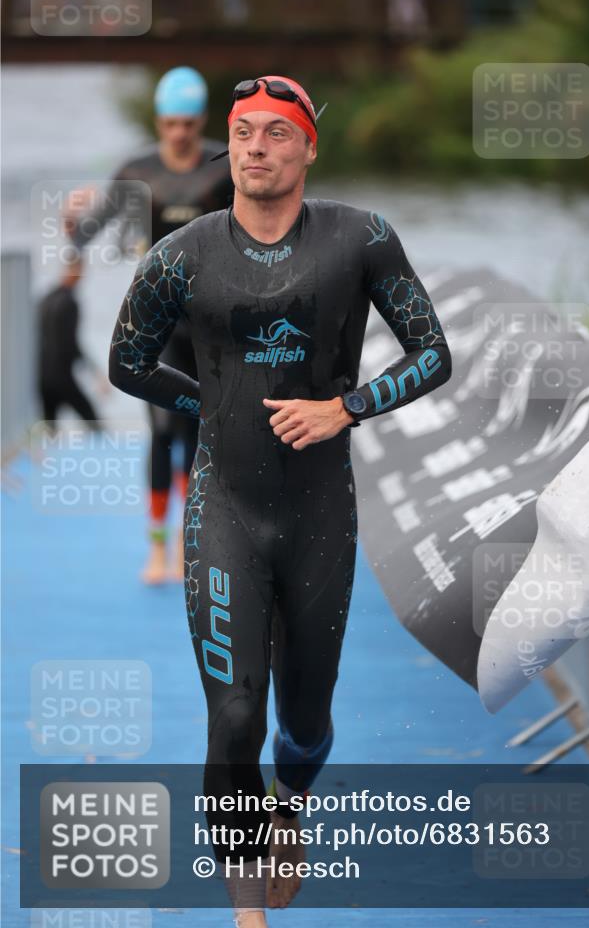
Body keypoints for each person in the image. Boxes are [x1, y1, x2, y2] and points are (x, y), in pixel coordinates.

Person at [108, 75, 452, 926]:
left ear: (307, 147)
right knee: (232, 716)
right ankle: (245, 907)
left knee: (302, 718)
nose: (254, 147)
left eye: (274, 133)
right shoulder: (181, 254)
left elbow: (432, 353)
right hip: (224, 505)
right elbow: (126, 362)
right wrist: (211, 406)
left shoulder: (361, 239)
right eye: (241, 133)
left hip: (318, 515)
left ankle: (289, 802)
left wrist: (346, 407)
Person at [65, 66, 235, 584]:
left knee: (207, 433)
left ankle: (196, 543)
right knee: (162, 432)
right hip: (157, 321)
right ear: (159, 121)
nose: (179, 133)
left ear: (201, 119)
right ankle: (158, 549)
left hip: (212, 323)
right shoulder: (136, 170)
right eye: (170, 123)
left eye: (187, 122)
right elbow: (87, 234)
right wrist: (71, 224)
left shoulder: (223, 164)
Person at [37, 254, 106, 425]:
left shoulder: (45, 299)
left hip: (42, 374)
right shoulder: (69, 303)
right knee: (93, 421)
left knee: (49, 428)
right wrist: (95, 372)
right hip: (62, 376)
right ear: (74, 271)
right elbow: (70, 344)